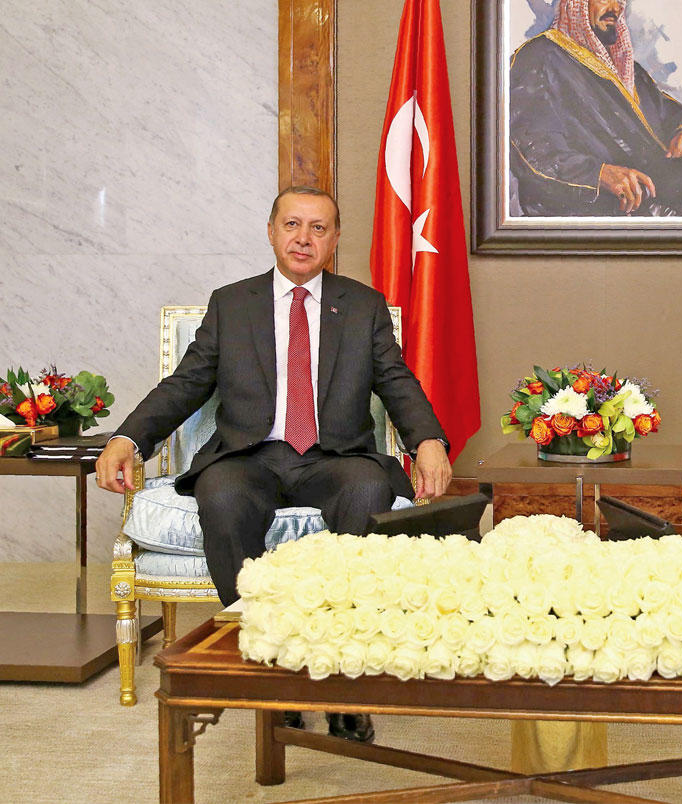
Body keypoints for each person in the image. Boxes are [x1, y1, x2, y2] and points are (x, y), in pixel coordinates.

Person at [96, 186, 452, 743]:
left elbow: (397, 382)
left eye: (318, 228)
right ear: (271, 231)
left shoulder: (363, 306)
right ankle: (273, 661)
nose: (303, 238)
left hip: (335, 457)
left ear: (335, 239)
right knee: (223, 493)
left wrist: (428, 440)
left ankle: (340, 673)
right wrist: (128, 438)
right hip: (249, 456)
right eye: (292, 225)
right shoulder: (231, 303)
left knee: (367, 490)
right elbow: (185, 385)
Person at [508, 0, 682, 217]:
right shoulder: (539, 56)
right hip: (584, 215)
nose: (615, 8)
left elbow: (663, 108)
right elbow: (530, 148)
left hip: (658, 202)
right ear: (575, 5)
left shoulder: (623, 66)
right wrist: (598, 175)